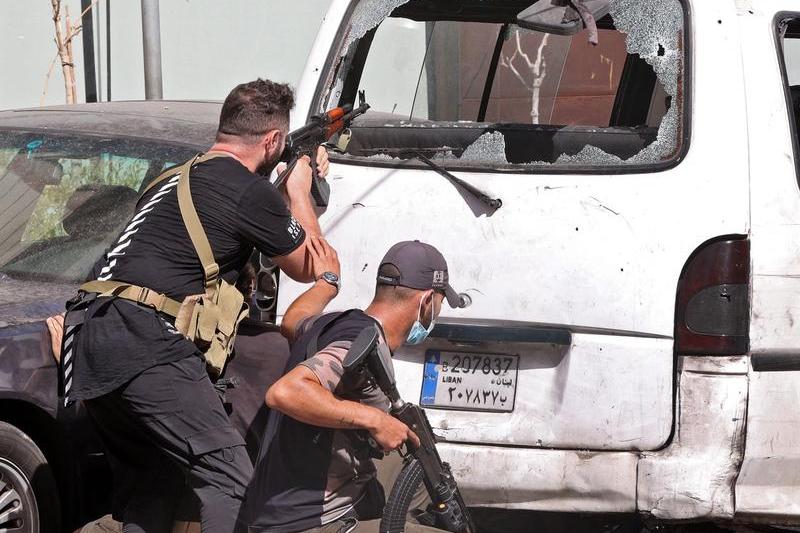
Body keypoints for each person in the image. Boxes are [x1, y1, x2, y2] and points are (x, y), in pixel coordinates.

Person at [66, 78, 332, 533]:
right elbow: (312, 264)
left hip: (90, 335)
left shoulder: (172, 177)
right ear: (272, 140)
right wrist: (301, 189)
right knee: (231, 482)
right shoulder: (249, 192)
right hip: (146, 343)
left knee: (156, 482)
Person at [239, 239, 466, 533]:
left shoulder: (333, 324)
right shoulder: (361, 340)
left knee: (421, 475)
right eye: (439, 302)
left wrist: (327, 285)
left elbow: (292, 321)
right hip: (307, 522)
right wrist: (374, 419)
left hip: (283, 501)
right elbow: (286, 392)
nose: (439, 311)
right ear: (425, 301)